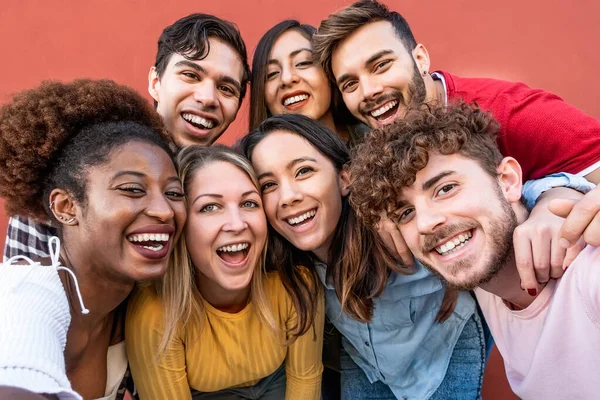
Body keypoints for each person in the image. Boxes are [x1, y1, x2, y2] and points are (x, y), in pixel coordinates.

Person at [312, 0, 600, 292]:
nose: (369, 91)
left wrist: (551, 200)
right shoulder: (376, 136)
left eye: (381, 66)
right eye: (350, 84)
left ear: (421, 59)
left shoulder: (509, 113)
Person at [348, 103, 599, 399]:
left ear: (507, 180)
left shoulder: (588, 275)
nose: (427, 223)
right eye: (405, 213)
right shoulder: (484, 279)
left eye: (445, 188)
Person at [238, 114, 484, 400]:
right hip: (366, 362)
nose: (288, 196)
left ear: (345, 179)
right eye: (268, 185)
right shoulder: (284, 261)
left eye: (303, 171)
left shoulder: (390, 227)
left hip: (441, 348)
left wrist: (456, 274)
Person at [4, 12, 251, 260]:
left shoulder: (222, 187)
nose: (207, 98)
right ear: (155, 82)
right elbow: (22, 286)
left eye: (226, 89)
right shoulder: (81, 167)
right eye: (191, 75)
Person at [0, 79, 187, 399]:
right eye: (132, 189)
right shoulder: (26, 294)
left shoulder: (135, 306)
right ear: (66, 206)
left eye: (174, 193)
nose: (165, 211)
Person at [125, 145, 324, 400]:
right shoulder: (155, 314)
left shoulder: (296, 285)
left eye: (249, 203)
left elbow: (305, 381)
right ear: (181, 225)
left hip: (278, 380)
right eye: (210, 207)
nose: (237, 223)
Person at [249, 20, 359, 144]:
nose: (286, 78)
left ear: (329, 72)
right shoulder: (247, 161)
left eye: (302, 63)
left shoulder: (375, 136)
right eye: (272, 73)